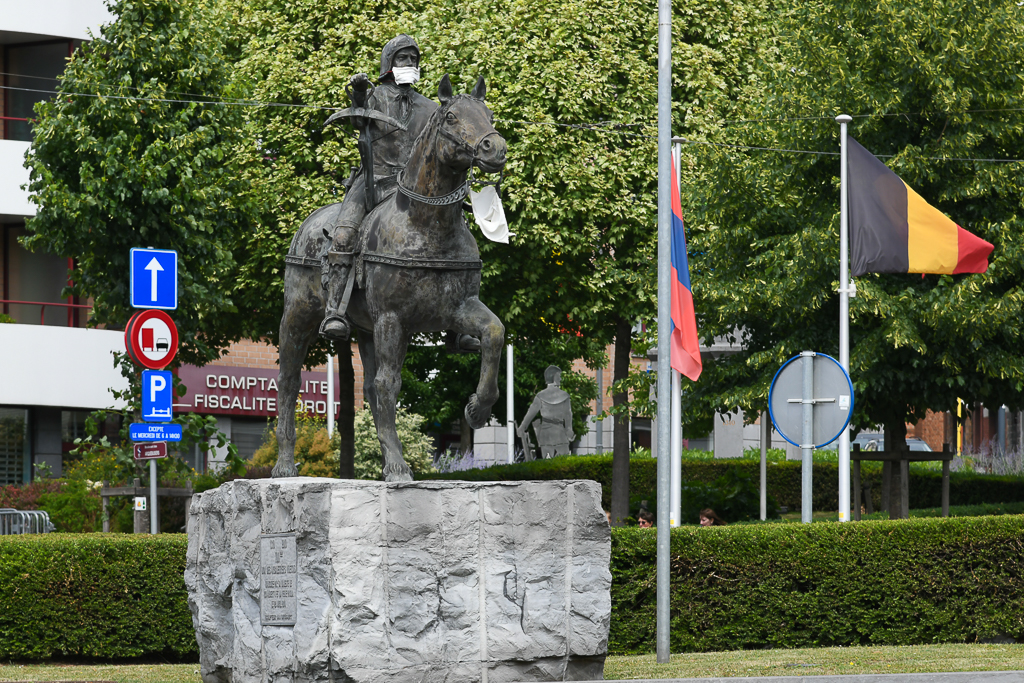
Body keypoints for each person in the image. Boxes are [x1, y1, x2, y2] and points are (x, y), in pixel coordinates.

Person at [319, 35, 438, 342]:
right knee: (344, 234)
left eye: (413, 59)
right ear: (389, 64)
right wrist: (359, 93)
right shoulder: (376, 97)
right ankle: (335, 310)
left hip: (416, 189)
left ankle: (454, 320)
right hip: (374, 180)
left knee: (454, 230)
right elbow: (358, 120)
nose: (409, 63)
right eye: (402, 58)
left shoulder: (430, 107)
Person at [517, 366, 575, 459]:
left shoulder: (540, 396)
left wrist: (522, 427)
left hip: (545, 434)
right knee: (564, 464)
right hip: (560, 434)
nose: (560, 378)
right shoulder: (565, 396)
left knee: (547, 463)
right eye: (559, 376)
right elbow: (568, 415)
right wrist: (569, 430)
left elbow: (531, 413)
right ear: (554, 377)